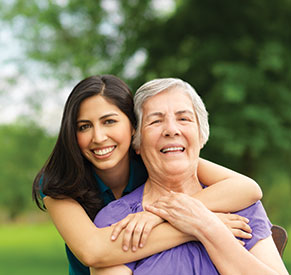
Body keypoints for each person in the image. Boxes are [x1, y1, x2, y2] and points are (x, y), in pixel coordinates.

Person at [32, 75, 263, 275]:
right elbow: (94, 251)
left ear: (133, 128)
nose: (98, 137)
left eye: (109, 121)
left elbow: (247, 188)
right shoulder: (59, 183)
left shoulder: (155, 159)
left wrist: (158, 216)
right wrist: (198, 226)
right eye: (84, 127)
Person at [91, 78, 288, 274]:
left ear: (201, 135)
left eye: (183, 118)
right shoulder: (117, 221)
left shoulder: (242, 205)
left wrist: (205, 225)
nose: (171, 130)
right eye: (156, 121)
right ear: (137, 143)